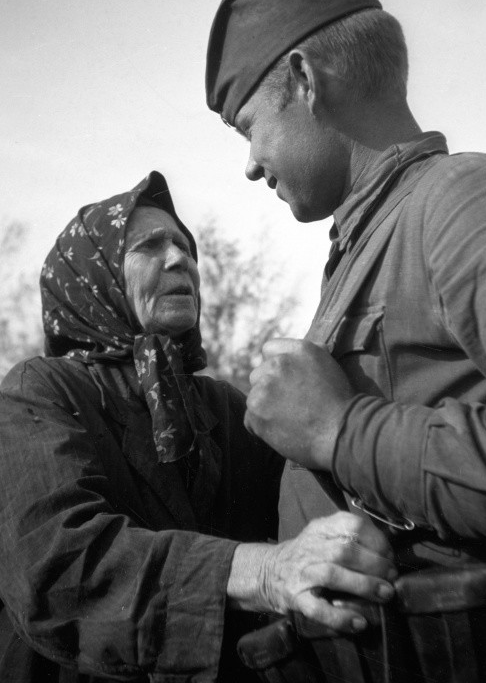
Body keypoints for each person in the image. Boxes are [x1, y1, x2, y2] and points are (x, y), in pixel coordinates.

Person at [206, 0, 486, 679]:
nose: (252, 165)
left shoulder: (464, 201)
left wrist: (340, 429)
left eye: (249, 127)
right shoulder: (372, 241)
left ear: (305, 81)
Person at [0, 170, 395, 682]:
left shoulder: (229, 409)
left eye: (185, 246)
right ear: (92, 276)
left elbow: (310, 506)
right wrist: (265, 571)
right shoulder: (42, 390)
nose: (179, 259)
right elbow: (59, 565)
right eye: (149, 245)